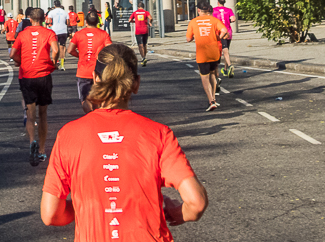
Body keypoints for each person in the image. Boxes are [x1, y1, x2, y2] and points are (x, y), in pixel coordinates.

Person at [41, 43, 207, 241]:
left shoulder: (68, 135)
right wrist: (177, 213)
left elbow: (51, 214)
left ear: (95, 79)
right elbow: (196, 203)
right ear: (136, 83)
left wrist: (87, 208)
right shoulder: (158, 134)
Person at [13, 7, 60, 166]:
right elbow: (55, 49)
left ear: (30, 19)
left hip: (27, 76)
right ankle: (41, 150)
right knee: (43, 115)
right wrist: (54, 61)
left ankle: (32, 141)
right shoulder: (49, 33)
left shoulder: (22, 34)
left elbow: (12, 54)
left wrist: (21, 62)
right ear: (43, 18)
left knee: (30, 114)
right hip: (44, 76)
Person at [186, 2, 229, 111]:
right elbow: (224, 30)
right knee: (213, 75)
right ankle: (214, 97)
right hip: (214, 52)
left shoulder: (193, 22)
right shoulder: (214, 20)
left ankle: (211, 101)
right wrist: (219, 38)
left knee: (205, 78)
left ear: (199, 10)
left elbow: (188, 39)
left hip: (202, 54)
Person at [67, 9, 111, 113]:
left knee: (84, 99)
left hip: (83, 72)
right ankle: (96, 118)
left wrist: (80, 55)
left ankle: (90, 117)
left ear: (86, 22)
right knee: (98, 99)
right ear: (97, 22)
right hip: (99, 72)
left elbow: (70, 50)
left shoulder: (78, 34)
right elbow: (110, 50)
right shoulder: (104, 34)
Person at [211, 0, 235, 78]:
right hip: (228, 31)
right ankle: (225, 70)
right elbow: (233, 19)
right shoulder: (229, 10)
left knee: (224, 51)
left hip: (220, 32)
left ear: (218, 2)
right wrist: (227, 20)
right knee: (226, 50)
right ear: (224, 2)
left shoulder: (214, 10)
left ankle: (229, 65)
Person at [45, 1, 69, 70]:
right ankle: (62, 65)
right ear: (60, 4)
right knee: (62, 48)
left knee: (55, 48)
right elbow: (68, 22)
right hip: (63, 31)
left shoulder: (51, 12)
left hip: (55, 31)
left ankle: (56, 62)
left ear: (54, 5)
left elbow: (49, 21)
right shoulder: (65, 12)